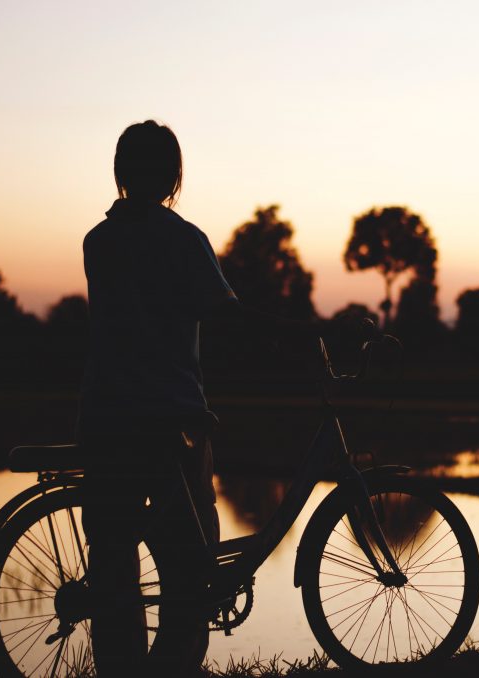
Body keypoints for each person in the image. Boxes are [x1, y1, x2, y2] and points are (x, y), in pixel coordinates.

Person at [78, 120, 313, 676]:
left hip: (106, 417)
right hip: (169, 421)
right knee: (191, 569)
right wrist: (296, 331)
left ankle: (124, 667)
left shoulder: (98, 241)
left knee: (113, 560)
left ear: (121, 173)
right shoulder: (183, 240)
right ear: (172, 176)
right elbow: (225, 313)